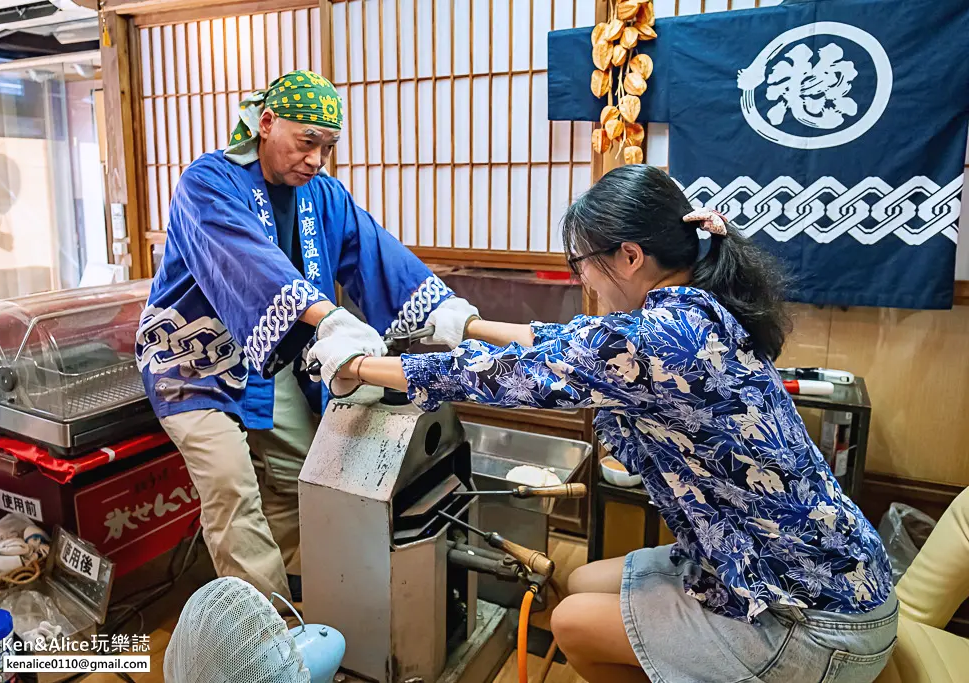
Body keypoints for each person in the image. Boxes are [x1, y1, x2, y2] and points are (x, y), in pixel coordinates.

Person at [310, 165, 898, 683]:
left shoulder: (664, 339)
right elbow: (569, 344)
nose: (581, 279)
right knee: (586, 581)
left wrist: (357, 365)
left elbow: (509, 376)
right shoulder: (695, 307)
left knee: (571, 622)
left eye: (581, 264)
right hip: (797, 568)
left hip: (813, 616)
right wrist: (466, 324)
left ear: (630, 257)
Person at [135, 70, 479, 602]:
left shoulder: (322, 194)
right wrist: (330, 320)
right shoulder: (208, 181)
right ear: (267, 124)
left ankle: (300, 592)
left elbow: (374, 254)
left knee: (301, 475)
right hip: (193, 363)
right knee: (231, 487)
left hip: (266, 361)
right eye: (306, 142)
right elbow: (248, 264)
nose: (316, 159)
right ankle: (265, 638)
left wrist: (452, 315)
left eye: (328, 146)